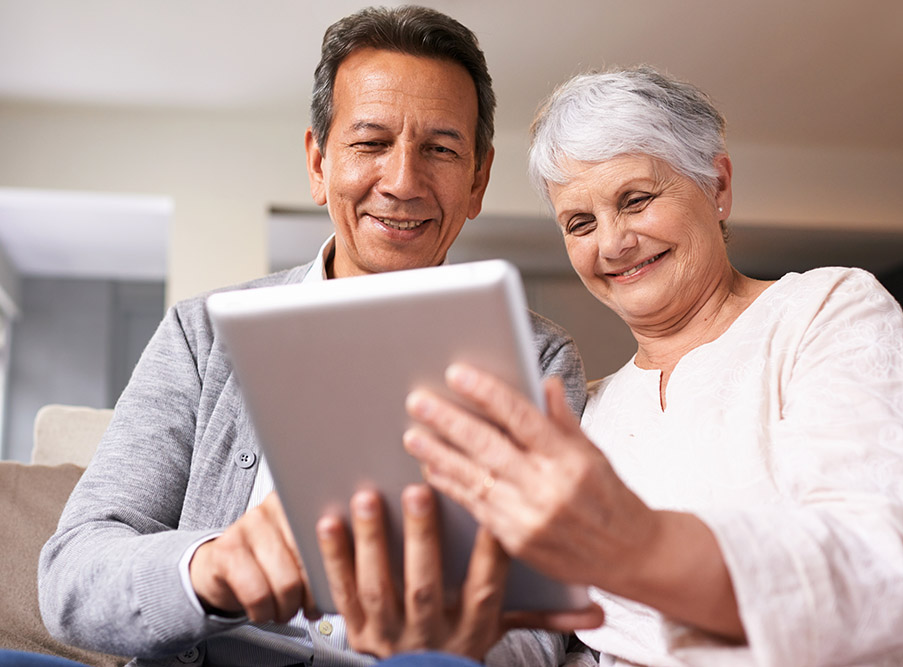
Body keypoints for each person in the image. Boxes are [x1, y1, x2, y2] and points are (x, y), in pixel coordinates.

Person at [37, 6, 601, 667]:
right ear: (318, 161)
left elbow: (534, 633)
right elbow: (72, 575)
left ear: (477, 178)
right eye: (370, 142)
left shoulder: (537, 359)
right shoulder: (200, 335)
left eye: (441, 149)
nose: (402, 181)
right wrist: (211, 569)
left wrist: (439, 637)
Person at [398, 66, 903, 665]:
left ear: (717, 186)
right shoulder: (592, 412)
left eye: (635, 201)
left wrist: (637, 545)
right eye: (579, 223)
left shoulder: (827, 311)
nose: (611, 244)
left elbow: (880, 568)